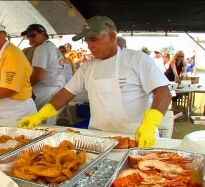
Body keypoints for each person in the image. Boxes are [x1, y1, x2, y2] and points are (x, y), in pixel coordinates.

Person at [18, 16, 172, 148]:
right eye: (87, 41)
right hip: (99, 139)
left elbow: (163, 92)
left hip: (137, 137)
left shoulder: (136, 59)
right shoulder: (87, 67)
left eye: (94, 39)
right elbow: (64, 95)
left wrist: (150, 124)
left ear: (111, 37)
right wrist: (39, 116)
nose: (90, 46)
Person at [21, 24, 66, 125]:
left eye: (33, 35)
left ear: (43, 34)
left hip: (46, 92)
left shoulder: (42, 49)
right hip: (57, 90)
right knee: (49, 124)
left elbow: (37, 76)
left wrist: (23, 88)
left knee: (36, 122)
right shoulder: (52, 46)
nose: (30, 39)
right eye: (28, 36)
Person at [165, 50, 188, 116]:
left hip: (176, 77)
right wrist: (177, 77)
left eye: (181, 56)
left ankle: (173, 108)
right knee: (168, 92)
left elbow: (184, 71)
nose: (180, 57)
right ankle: (165, 108)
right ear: (176, 56)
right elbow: (174, 70)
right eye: (178, 56)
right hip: (169, 76)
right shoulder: (173, 60)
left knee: (176, 92)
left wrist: (183, 75)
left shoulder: (184, 61)